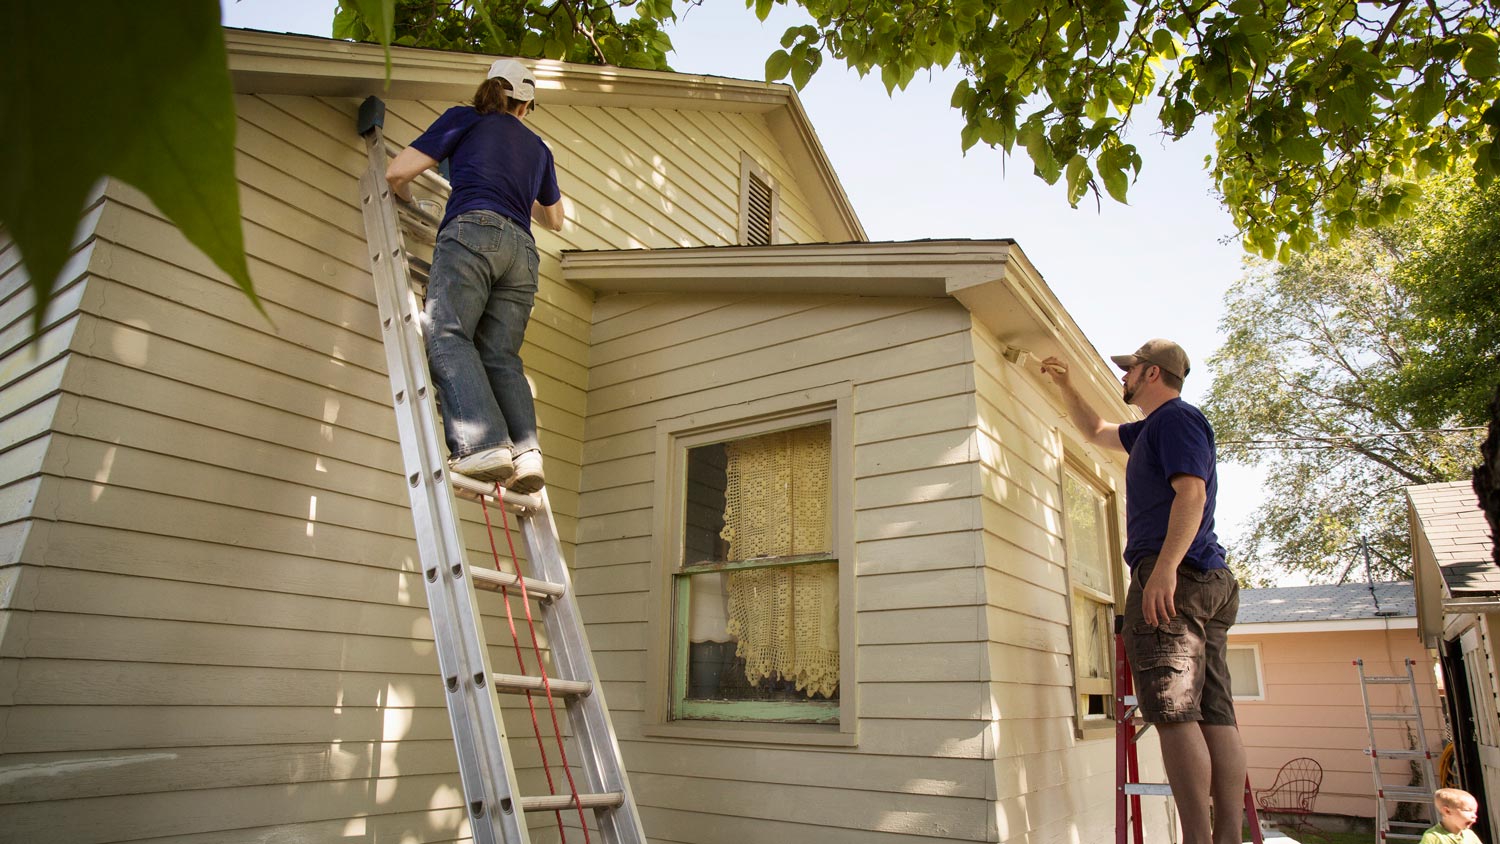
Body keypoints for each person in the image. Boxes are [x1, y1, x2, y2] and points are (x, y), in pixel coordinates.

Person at [1040, 339, 1244, 844]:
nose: (1123, 378)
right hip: (1206, 579)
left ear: (1151, 373)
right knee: (1214, 712)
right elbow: (1094, 431)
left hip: (1179, 575)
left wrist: (1164, 570)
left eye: (1129, 371)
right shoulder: (1152, 429)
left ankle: (1199, 839)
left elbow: (1190, 492)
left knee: (1174, 712)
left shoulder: (1176, 420)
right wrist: (1065, 384)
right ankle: (1227, 839)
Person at [386, 58, 564, 493]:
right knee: (501, 355)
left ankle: (482, 445)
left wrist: (407, 201)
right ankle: (525, 456)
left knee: (447, 333)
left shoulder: (464, 119)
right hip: (523, 253)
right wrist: (520, 185)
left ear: (490, 91)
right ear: (524, 105)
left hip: (473, 228)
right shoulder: (539, 149)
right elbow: (555, 220)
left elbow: (396, 172)